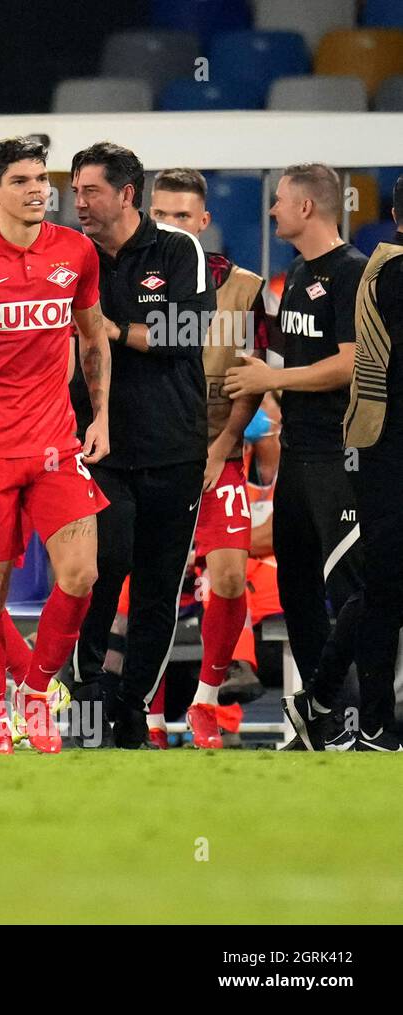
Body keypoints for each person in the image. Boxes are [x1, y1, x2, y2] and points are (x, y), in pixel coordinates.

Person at [0, 136, 111, 755]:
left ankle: (35, 692)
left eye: (43, 178)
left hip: (56, 445)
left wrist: (101, 414)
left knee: (81, 574)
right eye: (24, 180)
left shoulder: (76, 252)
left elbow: (93, 340)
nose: (39, 190)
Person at [70, 141, 215, 749]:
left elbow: (192, 330)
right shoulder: (69, 254)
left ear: (127, 194)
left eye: (91, 191)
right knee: (99, 571)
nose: (78, 202)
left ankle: (132, 712)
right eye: (74, 191)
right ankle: (85, 709)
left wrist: (112, 329)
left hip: (174, 446)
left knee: (158, 587)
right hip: (97, 448)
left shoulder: (178, 250)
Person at [223, 163, 367, 751]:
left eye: (280, 200)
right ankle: (323, 727)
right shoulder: (297, 275)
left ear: (307, 207)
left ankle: (332, 705)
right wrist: (264, 391)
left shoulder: (354, 274)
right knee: (299, 591)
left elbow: (351, 363)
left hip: (340, 455)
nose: (273, 209)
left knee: (357, 590)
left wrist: (271, 376)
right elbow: (282, 369)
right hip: (297, 458)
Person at [147, 168, 268, 748]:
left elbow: (253, 378)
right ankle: (143, 708)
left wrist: (222, 449)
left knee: (227, 578)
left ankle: (205, 699)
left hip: (217, 453)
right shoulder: (130, 281)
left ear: (203, 221)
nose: (170, 225)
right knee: (147, 582)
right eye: (160, 215)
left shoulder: (244, 288)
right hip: (148, 454)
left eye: (181, 216)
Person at [332, 175, 403, 751]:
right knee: (383, 592)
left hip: (380, 453)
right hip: (387, 454)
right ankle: (375, 725)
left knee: (382, 592)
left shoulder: (380, 271)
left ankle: (371, 723)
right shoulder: (391, 272)